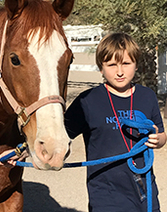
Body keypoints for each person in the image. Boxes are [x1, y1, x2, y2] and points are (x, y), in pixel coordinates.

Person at [64, 32, 167, 212]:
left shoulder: (147, 96)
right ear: (101, 67)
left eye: (126, 63)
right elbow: (59, 136)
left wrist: (158, 140)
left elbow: (161, 134)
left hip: (145, 188)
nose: (120, 72)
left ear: (136, 64)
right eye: (111, 65)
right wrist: (21, 151)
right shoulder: (87, 101)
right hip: (106, 194)